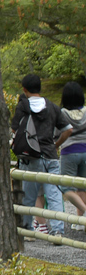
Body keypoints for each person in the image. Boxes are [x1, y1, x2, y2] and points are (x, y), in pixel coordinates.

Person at [11, 73, 71, 236]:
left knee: (29, 195)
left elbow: (15, 129)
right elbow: (68, 129)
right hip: (51, 156)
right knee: (54, 194)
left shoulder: (23, 106)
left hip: (30, 157)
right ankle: (58, 231)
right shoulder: (51, 106)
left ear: (24, 89)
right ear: (40, 87)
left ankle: (28, 229)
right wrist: (55, 144)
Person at [54, 81, 86, 220]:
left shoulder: (62, 113)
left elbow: (56, 132)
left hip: (69, 151)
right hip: (85, 150)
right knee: (82, 186)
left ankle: (84, 211)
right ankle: (81, 220)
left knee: (66, 189)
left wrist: (55, 144)